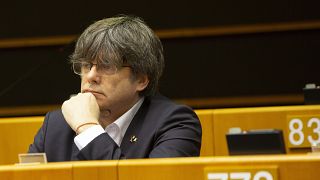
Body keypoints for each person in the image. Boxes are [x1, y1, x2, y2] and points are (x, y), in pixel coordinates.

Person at [28, 15, 202, 162]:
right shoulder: (56, 124)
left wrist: (88, 128)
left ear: (141, 79)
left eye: (106, 66)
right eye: (86, 65)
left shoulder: (176, 124)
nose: (90, 76)